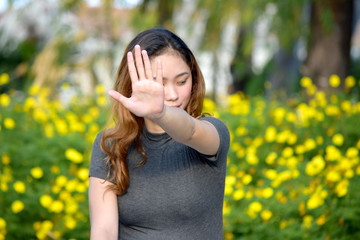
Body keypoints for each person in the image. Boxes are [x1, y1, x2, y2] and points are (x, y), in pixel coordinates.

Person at [88, 27, 230, 240]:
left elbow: (190, 132)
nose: (173, 95)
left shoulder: (211, 132)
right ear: (132, 84)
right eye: (159, 83)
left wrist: (161, 113)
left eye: (182, 82)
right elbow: (104, 232)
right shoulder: (111, 145)